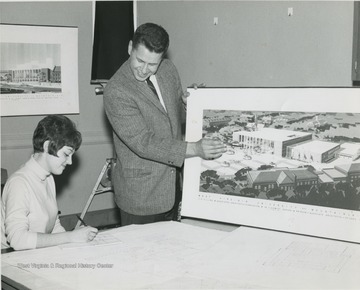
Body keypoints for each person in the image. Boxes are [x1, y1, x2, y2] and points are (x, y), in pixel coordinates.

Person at [103, 23, 226, 226]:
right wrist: (195, 148)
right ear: (129, 48)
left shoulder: (168, 69)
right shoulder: (116, 90)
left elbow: (172, 115)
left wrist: (193, 103)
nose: (144, 69)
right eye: (139, 60)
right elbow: (143, 142)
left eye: (152, 64)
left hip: (173, 189)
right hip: (141, 197)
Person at [1, 115, 98, 251]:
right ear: (47, 146)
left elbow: (54, 226)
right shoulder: (19, 183)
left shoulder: (48, 178)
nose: (70, 162)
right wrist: (70, 237)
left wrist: (75, 240)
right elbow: (18, 240)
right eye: (66, 154)